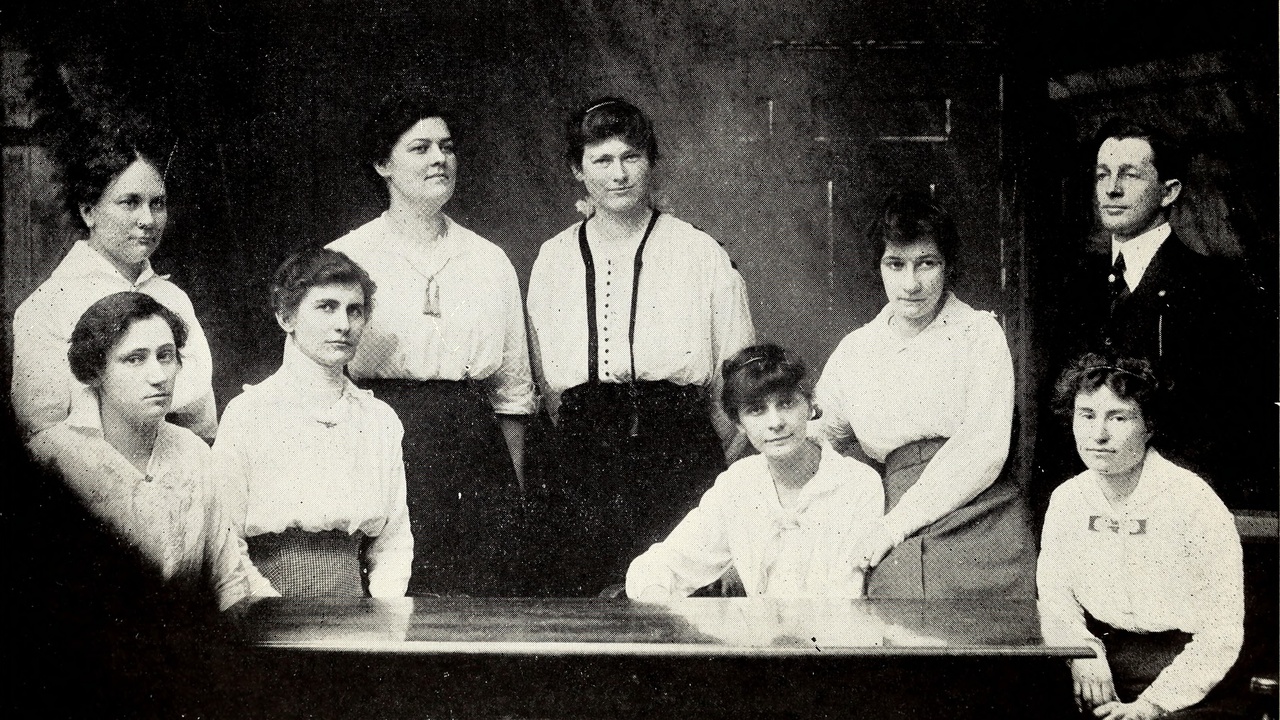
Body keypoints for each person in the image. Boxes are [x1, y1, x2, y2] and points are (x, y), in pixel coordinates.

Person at [526, 97, 756, 596]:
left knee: (681, 605)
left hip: (677, 450)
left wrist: (711, 460)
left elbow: (736, 382)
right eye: (601, 160)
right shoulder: (554, 258)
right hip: (584, 454)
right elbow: (544, 382)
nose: (619, 174)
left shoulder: (699, 252)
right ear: (577, 170)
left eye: (631, 157)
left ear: (650, 162)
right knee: (584, 607)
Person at [328, 90, 532, 596]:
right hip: (379, 439)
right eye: (420, 148)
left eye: (446, 146)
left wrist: (512, 493)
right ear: (383, 164)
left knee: (483, 600)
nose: (439, 158)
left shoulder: (489, 260)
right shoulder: (347, 257)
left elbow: (512, 393)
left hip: (474, 450)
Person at [813, 189, 1035, 599]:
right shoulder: (856, 350)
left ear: (948, 267)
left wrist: (896, 524)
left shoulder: (978, 334)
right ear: (878, 267)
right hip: (889, 512)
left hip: (979, 511)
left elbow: (983, 448)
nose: (911, 283)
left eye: (926, 264)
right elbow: (817, 440)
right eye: (895, 264)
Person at [1041, 118, 1273, 510]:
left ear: (1169, 192)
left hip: (1176, 506)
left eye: (1129, 175)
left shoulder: (1216, 287)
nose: (1111, 189)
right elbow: (1056, 418)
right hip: (1087, 508)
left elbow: (1232, 419)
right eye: (1103, 175)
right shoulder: (1075, 285)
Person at [1038, 353, 1243, 720]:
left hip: (1188, 677)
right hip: (1098, 665)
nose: (1098, 434)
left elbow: (1222, 634)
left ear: (1149, 426)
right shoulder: (1067, 500)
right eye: (1086, 415)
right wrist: (1083, 653)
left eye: (1118, 417)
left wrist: (1152, 706)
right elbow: (1055, 602)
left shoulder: (1193, 501)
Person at [26, 292, 248, 611]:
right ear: (94, 371)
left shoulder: (194, 454)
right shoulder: (50, 459)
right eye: (135, 358)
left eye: (166, 356)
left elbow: (230, 582)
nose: (158, 377)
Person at [213, 248, 412, 598]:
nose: (343, 324)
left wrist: (383, 618)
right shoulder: (249, 413)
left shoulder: (379, 420)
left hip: (357, 617)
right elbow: (224, 540)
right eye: (326, 307)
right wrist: (272, 615)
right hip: (265, 609)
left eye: (355, 310)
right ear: (286, 317)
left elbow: (392, 542)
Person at [626, 344, 882, 600]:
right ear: (739, 423)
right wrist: (658, 601)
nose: (775, 422)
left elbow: (845, 600)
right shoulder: (738, 485)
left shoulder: (856, 484)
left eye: (786, 403)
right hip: (756, 638)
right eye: (756, 410)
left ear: (809, 405)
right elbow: (657, 567)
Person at [12, 124, 217, 441]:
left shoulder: (173, 299)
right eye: (130, 202)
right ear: (89, 211)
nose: (147, 220)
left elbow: (202, 424)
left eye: (157, 203)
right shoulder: (48, 306)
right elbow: (42, 436)